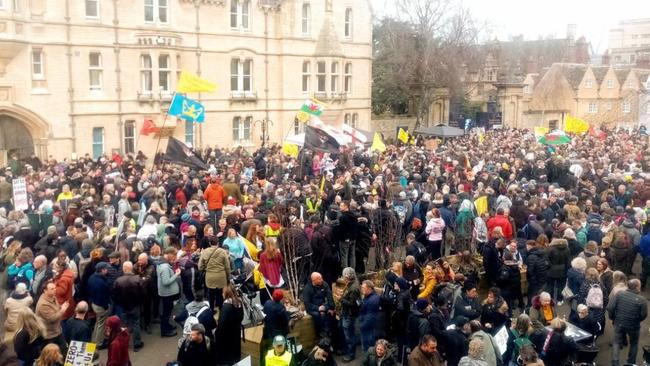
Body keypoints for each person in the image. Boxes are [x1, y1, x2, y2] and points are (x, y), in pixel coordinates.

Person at [607, 279, 648, 366]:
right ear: (637, 287)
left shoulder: (619, 294)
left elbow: (610, 307)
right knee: (634, 343)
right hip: (633, 326)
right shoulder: (642, 300)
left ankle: (615, 363)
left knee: (616, 342)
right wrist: (637, 320)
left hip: (619, 323)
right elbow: (643, 315)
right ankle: (631, 363)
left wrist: (612, 318)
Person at [112, 261, 145, 351]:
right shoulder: (138, 279)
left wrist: (119, 303)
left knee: (123, 325)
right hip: (135, 305)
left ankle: (124, 344)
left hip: (123, 306)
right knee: (136, 324)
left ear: (124, 268)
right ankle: (137, 344)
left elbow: (114, 295)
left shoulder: (118, 280)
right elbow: (143, 293)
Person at [35, 282, 68, 355]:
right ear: (45, 290)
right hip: (49, 335)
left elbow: (56, 308)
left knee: (63, 349)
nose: (55, 290)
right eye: (52, 289)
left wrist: (61, 307)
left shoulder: (52, 297)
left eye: (55, 288)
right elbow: (51, 319)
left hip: (57, 331)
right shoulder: (43, 304)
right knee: (51, 354)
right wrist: (62, 311)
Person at [214, 285, 244, 365]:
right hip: (236, 331)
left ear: (226, 294)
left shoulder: (226, 306)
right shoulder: (239, 302)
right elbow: (242, 316)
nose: (222, 294)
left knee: (228, 353)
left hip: (227, 335)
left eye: (223, 292)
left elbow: (221, 325)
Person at [198, 238, 230, 311]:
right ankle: (221, 309)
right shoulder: (223, 252)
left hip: (210, 277)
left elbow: (200, 266)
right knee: (220, 294)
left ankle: (211, 309)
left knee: (211, 294)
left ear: (210, 243)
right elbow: (227, 267)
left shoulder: (205, 252)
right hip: (221, 277)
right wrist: (228, 278)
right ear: (218, 243)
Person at [302, 272, 336, 338]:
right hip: (313, 307)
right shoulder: (307, 288)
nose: (322, 280)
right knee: (318, 315)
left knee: (332, 313)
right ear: (313, 281)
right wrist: (318, 308)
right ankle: (321, 334)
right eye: (319, 279)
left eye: (321, 278)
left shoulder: (324, 284)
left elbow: (330, 297)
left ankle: (332, 333)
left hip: (323, 305)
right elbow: (307, 304)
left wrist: (330, 308)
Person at [158, 247, 181, 337]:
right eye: (174, 255)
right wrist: (176, 274)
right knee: (166, 313)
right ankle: (164, 331)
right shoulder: (164, 267)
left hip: (167, 293)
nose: (174, 257)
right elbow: (166, 282)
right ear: (169, 254)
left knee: (167, 312)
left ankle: (167, 326)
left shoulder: (163, 264)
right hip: (167, 294)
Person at [338, 267, 360, 362]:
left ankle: (351, 354)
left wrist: (341, 299)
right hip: (346, 313)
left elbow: (352, 304)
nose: (343, 278)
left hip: (349, 315)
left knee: (349, 335)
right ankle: (345, 349)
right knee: (344, 332)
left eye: (344, 276)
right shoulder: (351, 283)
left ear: (347, 276)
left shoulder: (354, 288)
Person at [88, 262, 112, 348]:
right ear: (102, 270)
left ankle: (94, 340)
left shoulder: (91, 277)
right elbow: (103, 297)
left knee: (98, 323)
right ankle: (98, 343)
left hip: (94, 304)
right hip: (101, 306)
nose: (108, 270)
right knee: (101, 324)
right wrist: (106, 307)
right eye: (106, 269)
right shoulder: (101, 283)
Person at [358, 279, 381, 353]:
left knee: (368, 346)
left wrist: (362, 325)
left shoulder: (373, 300)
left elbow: (370, 317)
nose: (362, 290)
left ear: (369, 288)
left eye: (363, 288)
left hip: (368, 327)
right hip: (366, 325)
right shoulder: (367, 296)